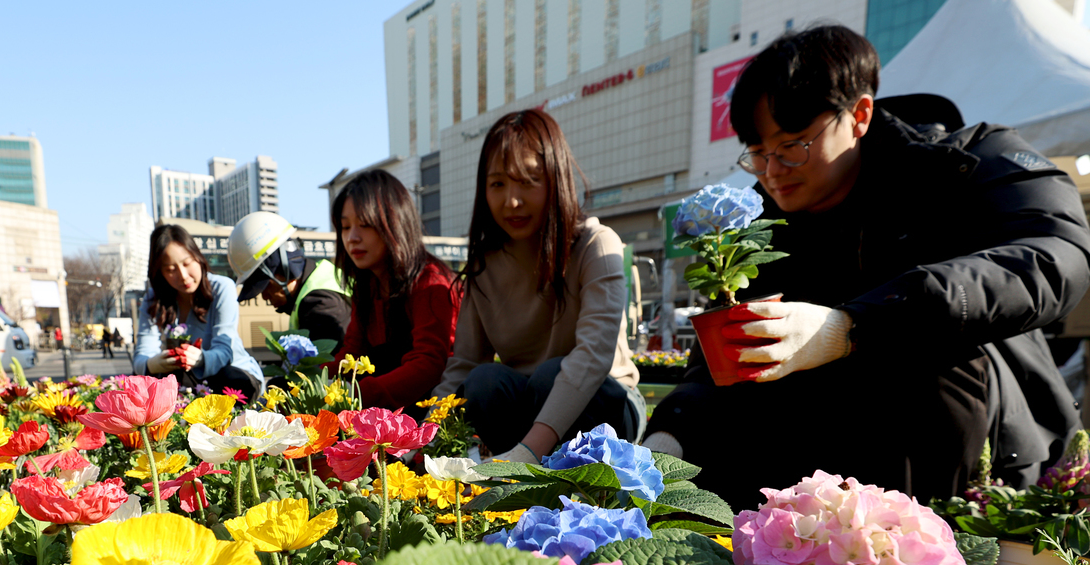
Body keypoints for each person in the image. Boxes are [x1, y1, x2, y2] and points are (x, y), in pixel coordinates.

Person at [642, 25, 1090, 509]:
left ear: (859, 115)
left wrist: (850, 327)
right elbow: (726, 361)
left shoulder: (965, 166)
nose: (772, 170)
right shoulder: (761, 227)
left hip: (973, 462)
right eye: (757, 152)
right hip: (815, 471)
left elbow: (1054, 253)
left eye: (793, 145)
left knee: (929, 355)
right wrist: (668, 439)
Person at [433, 110, 643, 463]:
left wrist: (528, 450)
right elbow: (464, 365)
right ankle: (521, 484)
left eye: (529, 180)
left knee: (551, 374)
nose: (511, 201)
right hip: (527, 410)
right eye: (497, 184)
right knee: (483, 381)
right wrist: (418, 441)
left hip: (605, 404)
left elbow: (593, 357)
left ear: (556, 179)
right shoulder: (484, 265)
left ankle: (544, 473)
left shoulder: (596, 244)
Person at [331, 170, 460, 412]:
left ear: (395, 222)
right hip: (389, 405)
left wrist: (356, 399)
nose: (352, 238)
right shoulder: (366, 286)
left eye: (365, 225)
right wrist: (305, 385)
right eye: (345, 227)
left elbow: (429, 364)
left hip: (436, 405)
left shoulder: (430, 281)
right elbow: (352, 354)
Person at [132, 223, 265, 398]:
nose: (183, 275)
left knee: (226, 380)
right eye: (170, 269)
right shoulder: (153, 300)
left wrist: (201, 359)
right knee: (144, 386)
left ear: (198, 257)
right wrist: (154, 363)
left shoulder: (222, 287)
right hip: (190, 382)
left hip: (234, 377)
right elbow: (142, 356)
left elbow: (224, 350)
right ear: (160, 273)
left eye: (187, 263)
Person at [228, 212, 353, 351]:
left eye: (265, 286)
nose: (264, 296)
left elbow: (321, 368)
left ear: (286, 267)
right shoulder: (319, 278)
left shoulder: (321, 305)